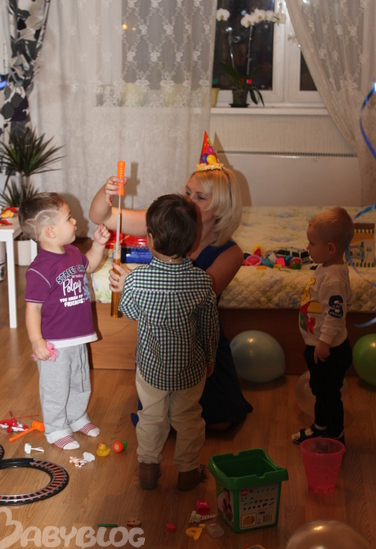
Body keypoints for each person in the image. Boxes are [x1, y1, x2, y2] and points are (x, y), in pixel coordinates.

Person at [90, 134, 253, 430]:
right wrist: (106, 191)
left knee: (218, 420)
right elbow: (101, 216)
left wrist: (134, 281)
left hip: (199, 344)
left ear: (222, 207)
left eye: (200, 197)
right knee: (159, 421)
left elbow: (191, 292)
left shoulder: (231, 253)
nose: (188, 201)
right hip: (158, 343)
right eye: (187, 192)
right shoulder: (167, 220)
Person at [110, 194, 219, 490]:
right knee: (189, 419)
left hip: (151, 368)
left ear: (149, 239)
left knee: (150, 417)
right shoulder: (202, 282)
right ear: (193, 241)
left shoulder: (137, 280)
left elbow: (129, 312)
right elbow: (210, 327)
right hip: (190, 369)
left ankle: (148, 468)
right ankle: (187, 471)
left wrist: (124, 287)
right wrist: (210, 358)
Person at [19, 192, 109, 450]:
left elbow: (89, 266)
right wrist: (37, 340)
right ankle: (56, 427)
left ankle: (76, 416)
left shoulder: (72, 252)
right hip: (55, 344)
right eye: (69, 218)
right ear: (50, 231)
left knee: (80, 380)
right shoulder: (39, 269)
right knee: (56, 386)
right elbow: (33, 309)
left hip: (79, 336)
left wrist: (98, 245)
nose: (74, 222)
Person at [292, 207, 354, 445]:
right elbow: (347, 301)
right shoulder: (327, 268)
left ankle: (335, 434)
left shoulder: (332, 278)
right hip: (319, 345)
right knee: (320, 390)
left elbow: (336, 314)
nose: (307, 247)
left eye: (312, 243)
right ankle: (320, 426)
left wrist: (324, 342)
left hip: (328, 350)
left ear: (330, 248)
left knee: (329, 395)